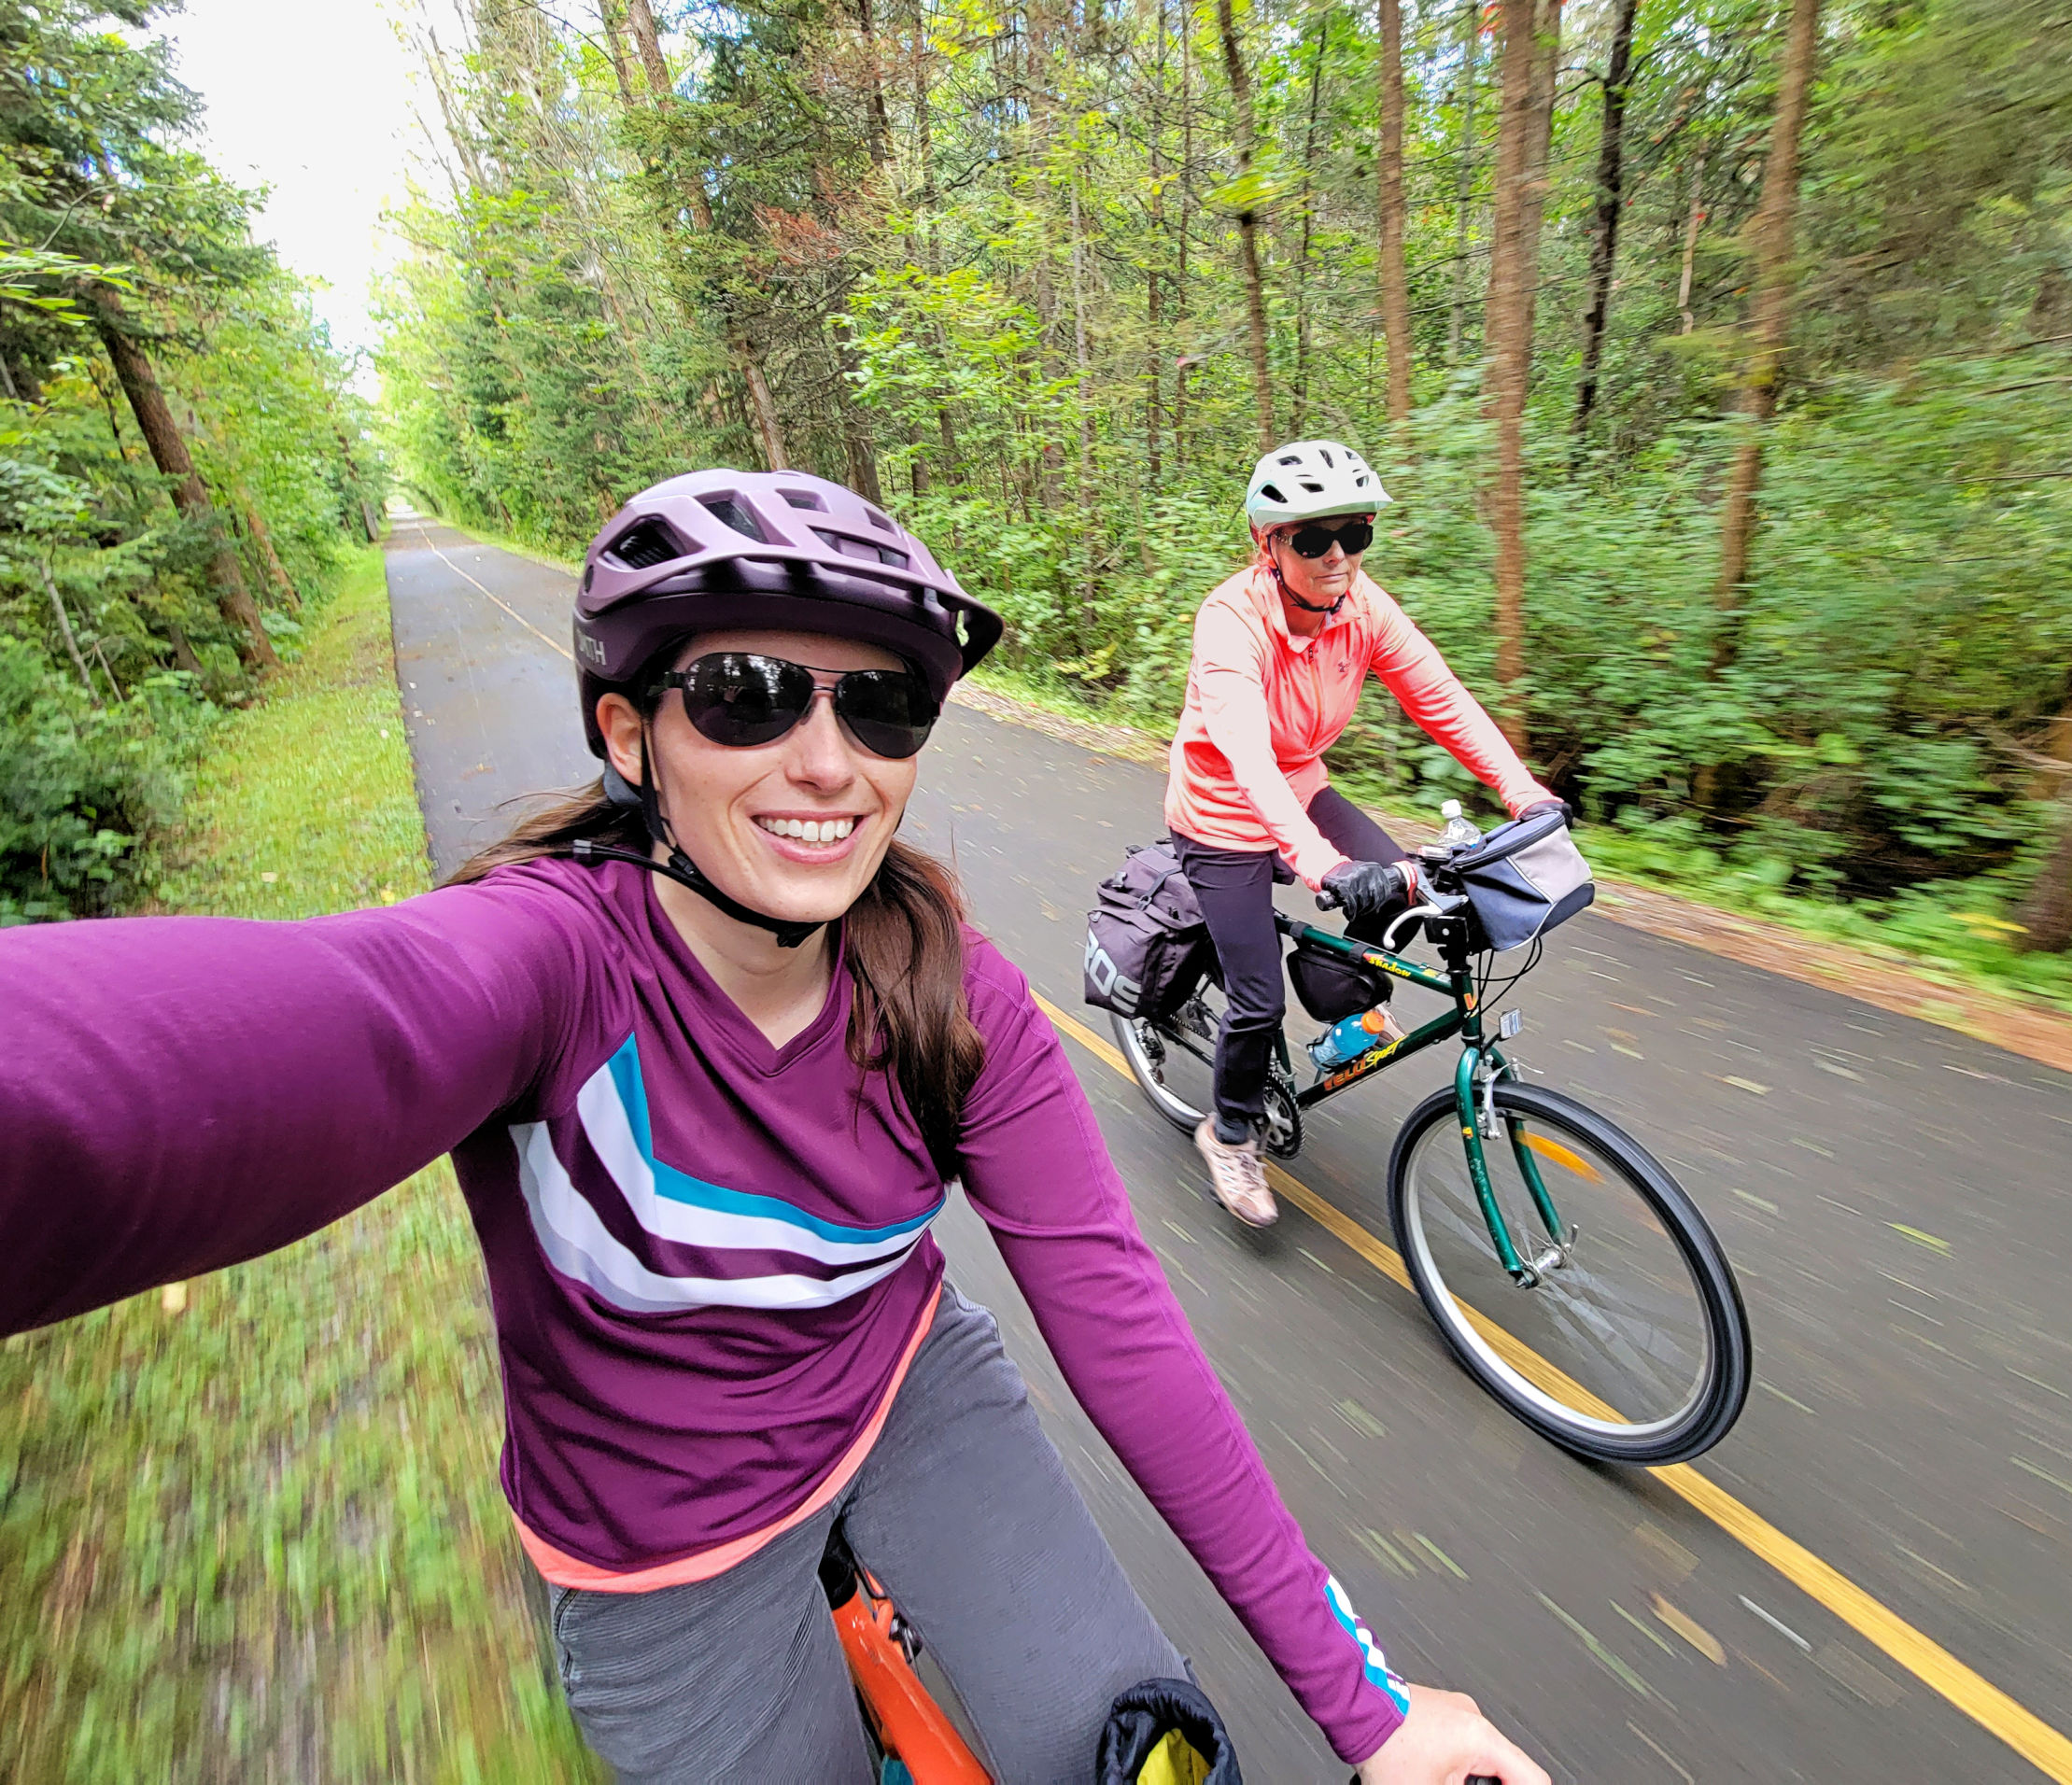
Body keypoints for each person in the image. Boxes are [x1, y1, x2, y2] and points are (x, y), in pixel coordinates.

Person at [0, 470, 1547, 1785]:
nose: (826, 762)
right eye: (745, 696)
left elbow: (1123, 1325)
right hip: (664, 1536)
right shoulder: (538, 964)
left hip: (907, 1389)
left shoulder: (955, 990)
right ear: (630, 735)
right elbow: (194, 1057)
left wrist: (1371, 1709)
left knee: (1145, 1755)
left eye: (879, 703)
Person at [1167, 442, 1564, 1228]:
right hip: (1220, 814)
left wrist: (1523, 792)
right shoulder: (1230, 622)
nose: (1338, 555)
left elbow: (1440, 698)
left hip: (1302, 785)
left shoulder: (1362, 608)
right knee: (1256, 998)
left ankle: (1344, 1016)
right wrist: (1319, 866)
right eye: (1313, 539)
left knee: (1414, 890)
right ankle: (1230, 1131)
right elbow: (1247, 757)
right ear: (1269, 545)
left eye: (1355, 533)